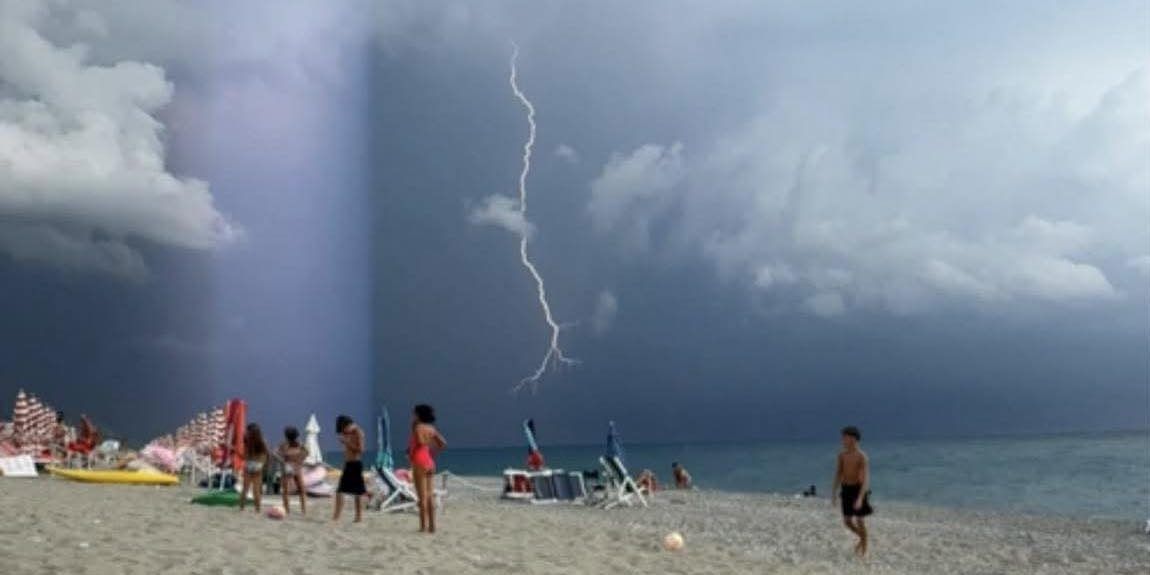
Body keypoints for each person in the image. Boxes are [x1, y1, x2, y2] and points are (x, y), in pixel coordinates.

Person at [832, 425, 872, 558]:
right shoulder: (842, 455)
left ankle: (864, 550)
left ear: (853, 439)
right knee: (847, 521)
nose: (843, 440)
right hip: (846, 489)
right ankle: (863, 538)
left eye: (845, 437)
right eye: (842, 437)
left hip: (859, 489)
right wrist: (833, 493)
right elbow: (838, 473)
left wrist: (860, 498)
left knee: (860, 520)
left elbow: (866, 480)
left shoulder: (862, 456)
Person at [409, 404, 446, 533]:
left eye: (414, 414)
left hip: (419, 461)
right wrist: (432, 453)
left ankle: (422, 526)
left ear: (418, 415)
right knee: (430, 496)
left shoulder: (418, 427)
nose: (412, 416)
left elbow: (420, 441)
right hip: (429, 462)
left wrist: (413, 452)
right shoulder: (431, 428)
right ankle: (432, 526)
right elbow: (443, 444)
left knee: (422, 497)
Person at [333, 415, 366, 523]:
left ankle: (358, 517)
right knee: (340, 490)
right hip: (348, 463)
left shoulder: (358, 432)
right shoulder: (347, 433)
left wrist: (347, 443)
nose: (343, 431)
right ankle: (337, 516)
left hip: (356, 463)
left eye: (343, 428)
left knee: (357, 492)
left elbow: (360, 450)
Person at [276, 426, 309, 516]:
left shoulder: (284, 445)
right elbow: (307, 452)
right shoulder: (299, 444)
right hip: (296, 468)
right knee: (301, 490)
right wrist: (300, 459)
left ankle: (287, 509)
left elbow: (275, 453)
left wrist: (282, 461)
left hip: (288, 467)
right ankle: (303, 510)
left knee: (287, 491)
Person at [238, 423, 268, 514]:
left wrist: (236, 450)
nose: (246, 431)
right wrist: (263, 465)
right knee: (256, 489)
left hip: (249, 464)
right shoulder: (262, 441)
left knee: (245, 488)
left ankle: (242, 508)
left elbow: (245, 456)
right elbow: (265, 455)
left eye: (247, 430)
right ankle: (257, 509)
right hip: (258, 465)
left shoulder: (246, 440)